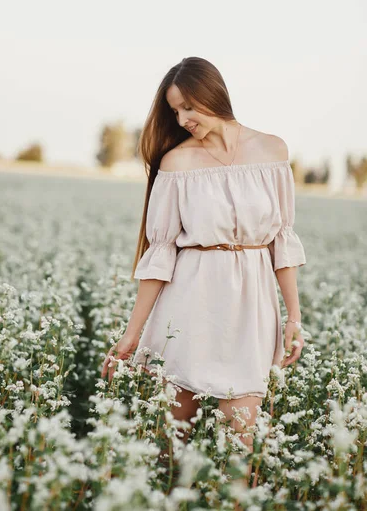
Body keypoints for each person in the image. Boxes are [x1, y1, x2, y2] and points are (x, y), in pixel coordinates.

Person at [101, 56, 306, 467]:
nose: (182, 119)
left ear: (213, 95)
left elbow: (281, 243)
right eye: (175, 110)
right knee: (167, 449)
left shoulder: (273, 150)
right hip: (189, 304)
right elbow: (160, 255)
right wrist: (133, 334)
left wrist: (294, 318)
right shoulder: (176, 163)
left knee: (241, 450)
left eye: (188, 107)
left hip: (252, 309)